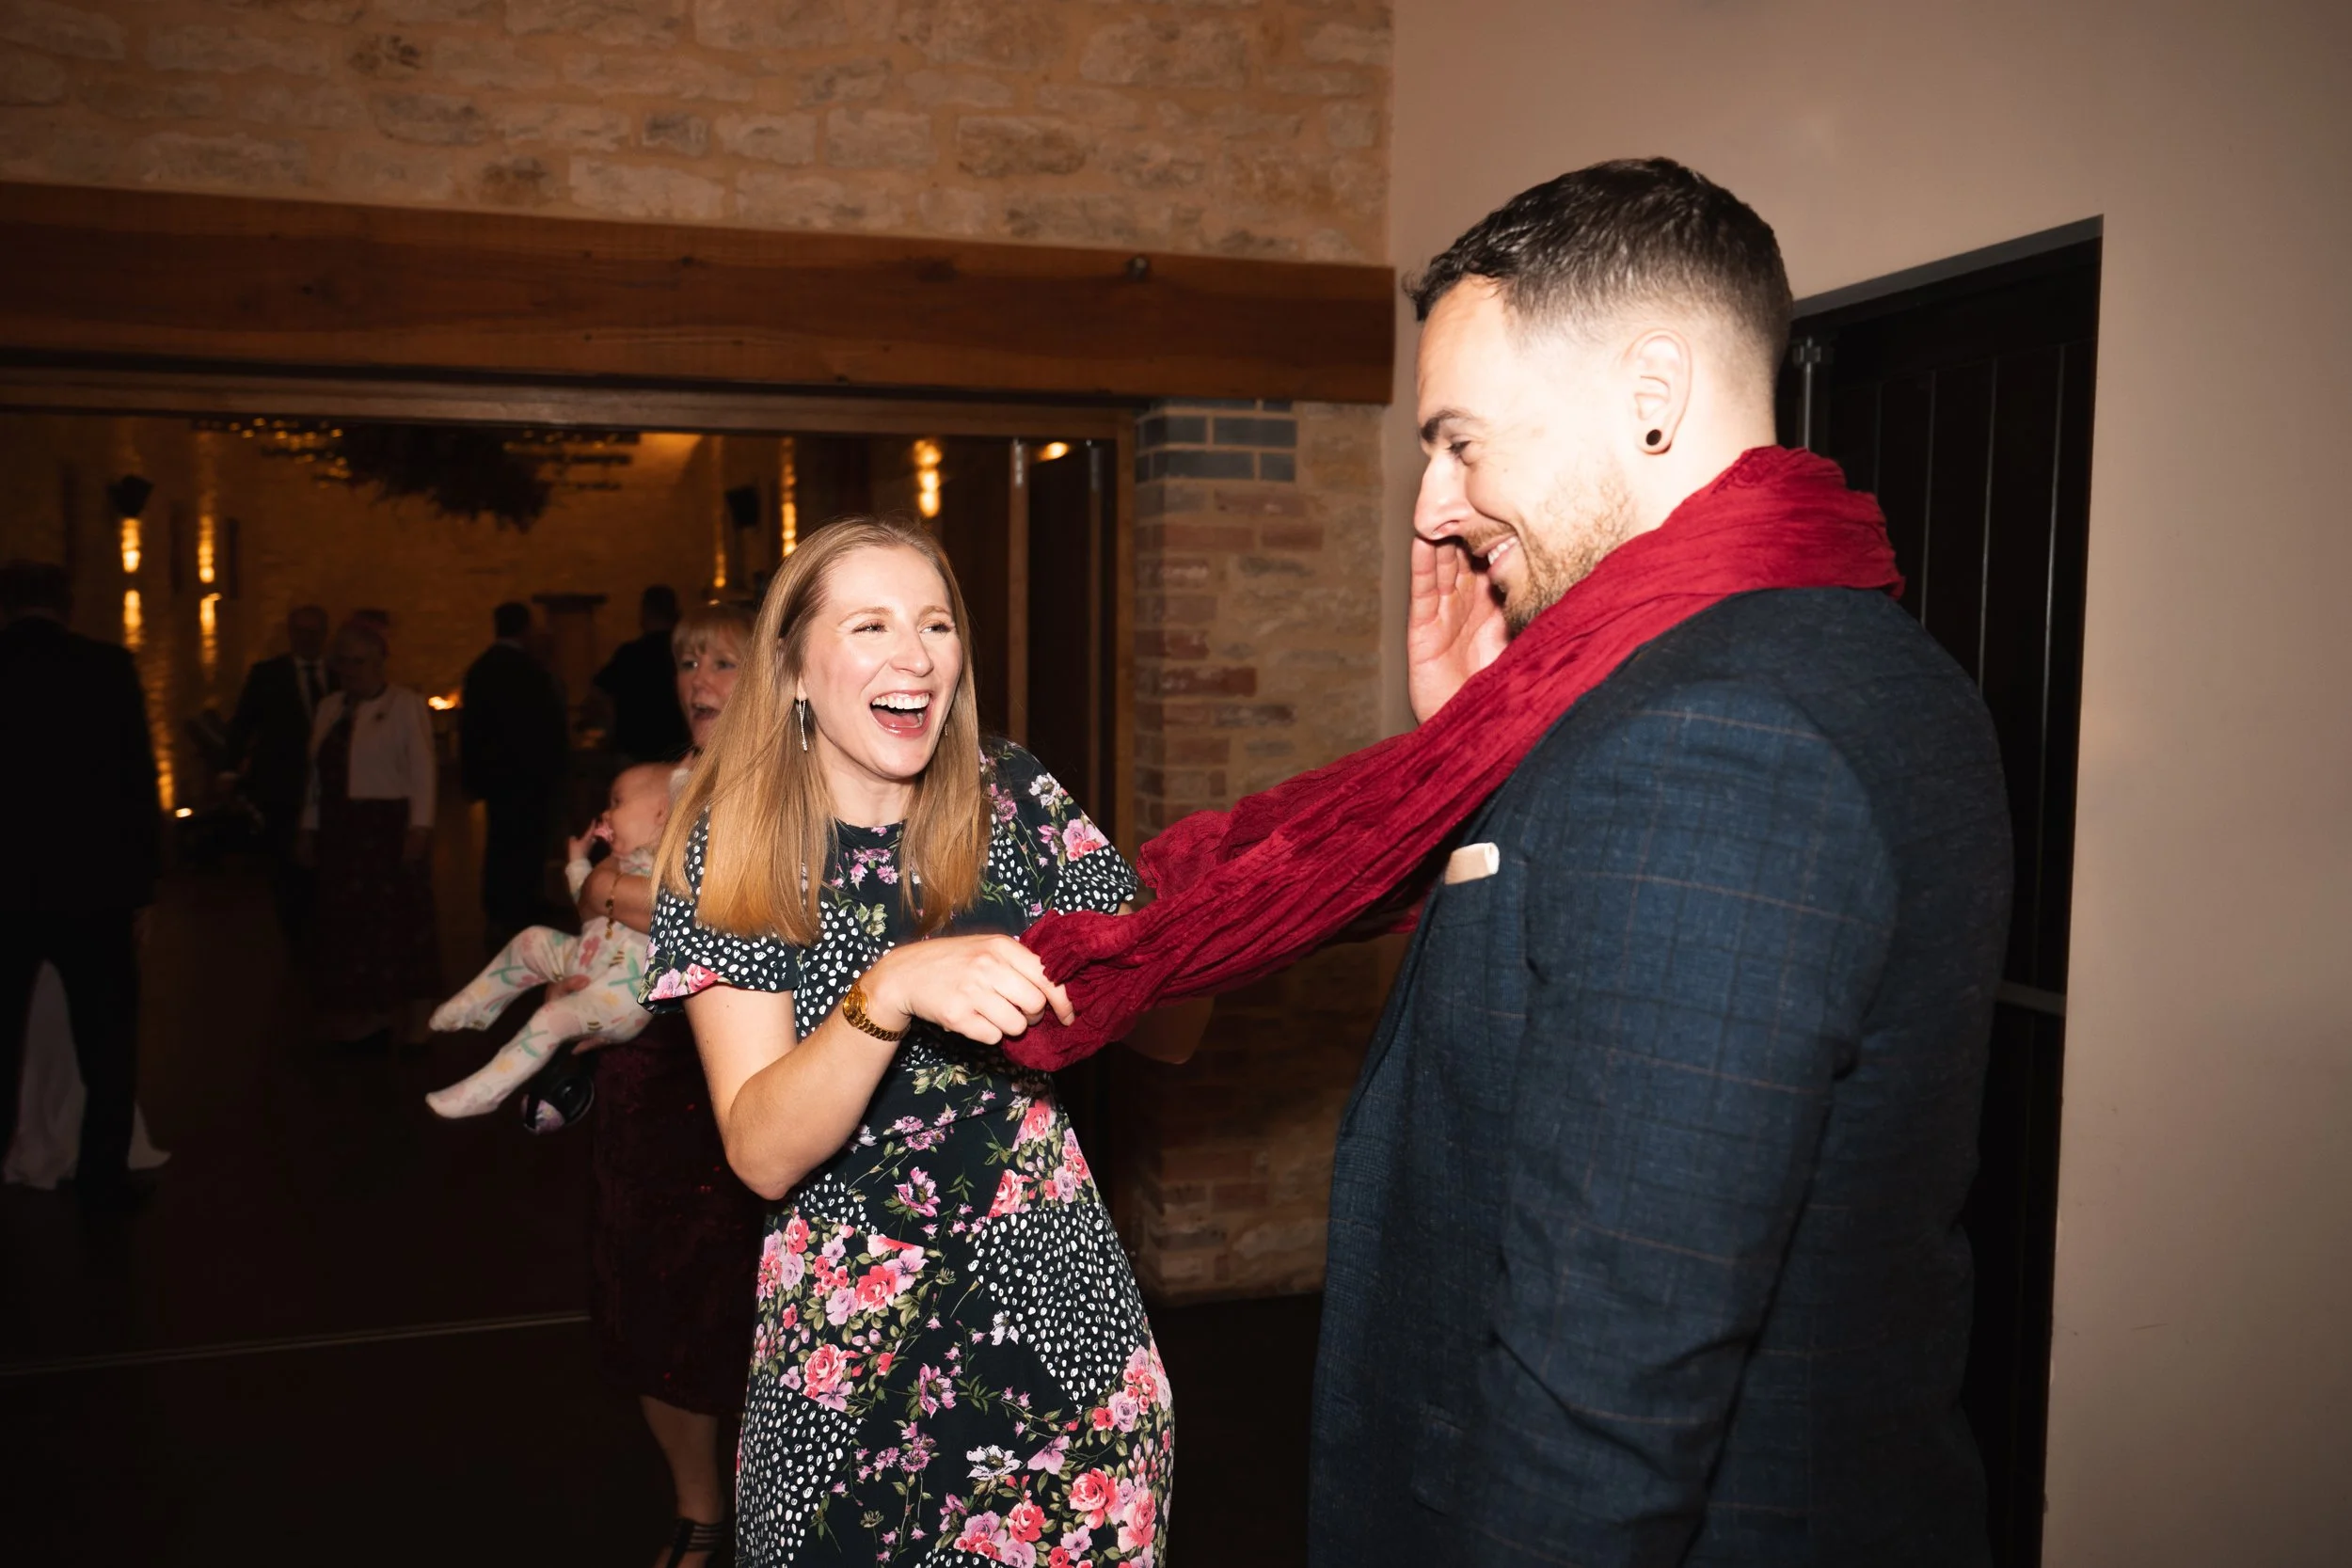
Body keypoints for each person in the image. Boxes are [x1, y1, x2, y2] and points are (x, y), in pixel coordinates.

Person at [1296, 162, 2010, 1563]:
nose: (1434, 505)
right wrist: (1484, 750)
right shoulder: (1840, 656)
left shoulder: (1716, 736)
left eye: (1459, 440)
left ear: (1652, 396)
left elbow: (1613, 1370)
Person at [647, 519, 1188, 1568]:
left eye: (936, 623)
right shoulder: (737, 843)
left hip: (1057, 1303)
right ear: (795, 667)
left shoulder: (1013, 793)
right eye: (872, 624)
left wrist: (1217, 929)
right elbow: (760, 1147)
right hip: (855, 1340)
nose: (916, 653)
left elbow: (1162, 1036)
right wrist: (885, 988)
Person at [570, 596, 763, 1568]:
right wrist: (609, 893)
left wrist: (605, 889)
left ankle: (778, 1499)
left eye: (723, 663)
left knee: (754, 1304)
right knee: (647, 1292)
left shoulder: (793, 786)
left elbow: (741, 914)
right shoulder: (655, 781)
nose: (699, 681)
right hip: (648, 1071)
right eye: (690, 662)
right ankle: (698, 1505)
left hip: (759, 1070)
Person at [0, 559, 162, 1212]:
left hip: (6, 885)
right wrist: (144, 883)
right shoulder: (107, 667)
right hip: (94, 885)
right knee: (108, 1039)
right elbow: (136, 779)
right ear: (66, 603)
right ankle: (102, 1174)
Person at [423, 762, 671, 1120]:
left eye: (617, 802)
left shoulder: (673, 868)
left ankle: (487, 1090)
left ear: (662, 812)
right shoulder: (622, 864)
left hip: (619, 997)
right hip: (586, 958)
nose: (606, 813)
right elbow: (589, 902)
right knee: (531, 940)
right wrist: (576, 863)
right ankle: (477, 1004)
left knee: (551, 1018)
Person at [302, 617, 441, 1048]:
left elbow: (422, 769)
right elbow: (316, 778)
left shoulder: (404, 705)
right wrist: (307, 827)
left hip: (387, 827)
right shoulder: (329, 708)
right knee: (352, 925)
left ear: (380, 660)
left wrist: (420, 825)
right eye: (341, 663)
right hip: (342, 829)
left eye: (358, 662)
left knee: (402, 921)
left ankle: (417, 1018)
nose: (350, 672)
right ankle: (370, 1013)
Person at [461, 602, 570, 937]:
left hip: (497, 775)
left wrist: (473, 774)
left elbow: (470, 726)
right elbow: (547, 724)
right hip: (529, 774)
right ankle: (522, 904)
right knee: (528, 840)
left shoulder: (480, 669)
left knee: (501, 840)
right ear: (524, 629)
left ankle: (501, 907)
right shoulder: (529, 670)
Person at [225, 603, 334, 938]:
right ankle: (296, 934)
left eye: (314, 632)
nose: (307, 639)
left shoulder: (339, 675)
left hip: (331, 787)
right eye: (301, 631)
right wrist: (229, 770)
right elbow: (242, 725)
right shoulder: (267, 675)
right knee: (286, 867)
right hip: (282, 786)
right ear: (291, 634)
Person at [594, 583, 691, 765]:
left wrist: (611, 728)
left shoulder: (629, 654)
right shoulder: (685, 653)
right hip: (678, 747)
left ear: (645, 612)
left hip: (636, 748)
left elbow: (600, 692)